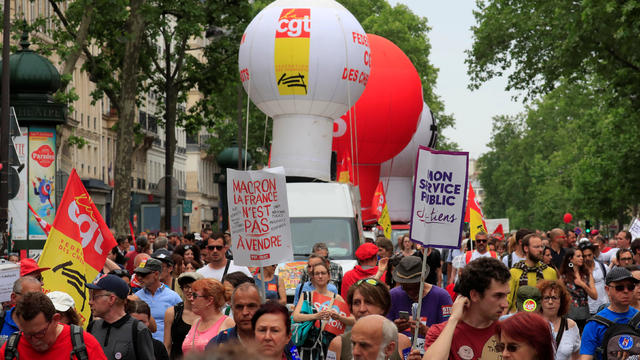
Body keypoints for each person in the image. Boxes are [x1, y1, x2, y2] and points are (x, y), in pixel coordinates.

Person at [418, 257, 511, 360]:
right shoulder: (439, 332)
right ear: (475, 295)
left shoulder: (508, 333)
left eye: (506, 295)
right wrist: (453, 319)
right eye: (498, 296)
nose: (505, 304)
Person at [0, 291, 106, 359]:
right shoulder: (11, 348)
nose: (34, 341)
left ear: (56, 319)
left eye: (40, 333)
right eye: (27, 334)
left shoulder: (84, 345)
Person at [328, 277, 411, 360]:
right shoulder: (338, 344)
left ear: (383, 307)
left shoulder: (402, 342)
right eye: (356, 303)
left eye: (369, 302)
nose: (362, 309)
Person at [292, 261, 354, 360]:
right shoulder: (306, 295)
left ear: (329, 276)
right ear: (312, 277)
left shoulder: (336, 298)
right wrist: (316, 316)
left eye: (323, 273)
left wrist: (339, 317)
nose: (320, 276)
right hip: (309, 347)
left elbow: (352, 320)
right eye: (317, 273)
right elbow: (296, 317)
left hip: (329, 347)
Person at [87, 274, 155, 360]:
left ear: (112, 299)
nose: (90, 302)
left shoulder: (138, 330)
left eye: (95, 297)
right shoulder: (92, 327)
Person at [580, 267, 640, 359]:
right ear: (607, 290)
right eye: (619, 287)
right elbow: (586, 357)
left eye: (630, 287)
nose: (626, 291)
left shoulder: (638, 318)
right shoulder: (594, 324)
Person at [131, 258, 183, 341]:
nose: (140, 278)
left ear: (156, 274)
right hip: (141, 347)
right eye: (138, 274)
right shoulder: (136, 297)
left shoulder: (173, 297)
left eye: (144, 274)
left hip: (163, 348)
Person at [506, 233, 558, 313]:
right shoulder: (514, 272)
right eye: (536, 247)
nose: (541, 250)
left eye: (541, 246)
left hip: (543, 320)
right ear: (526, 248)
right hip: (519, 320)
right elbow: (507, 302)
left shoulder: (550, 272)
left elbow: (556, 299)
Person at [182, 278, 235, 354]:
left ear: (210, 300)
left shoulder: (228, 323)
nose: (191, 299)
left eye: (195, 295)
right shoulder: (196, 322)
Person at [206, 282, 263, 348]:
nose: (245, 312)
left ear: (261, 307)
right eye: (239, 307)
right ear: (232, 309)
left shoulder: (272, 342)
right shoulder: (217, 343)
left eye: (251, 306)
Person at [537, 280, 580, 360]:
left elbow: (576, 356)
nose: (550, 302)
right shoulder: (533, 325)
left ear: (561, 301)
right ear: (540, 301)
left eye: (554, 298)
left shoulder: (571, 325)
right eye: (546, 298)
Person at [164, 271, 201, 360]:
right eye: (186, 287)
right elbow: (167, 345)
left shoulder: (208, 313)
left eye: (193, 287)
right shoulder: (172, 312)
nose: (189, 291)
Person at [559, 248, 597, 329]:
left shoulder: (587, 274)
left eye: (582, 256)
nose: (582, 258)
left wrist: (583, 285)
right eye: (578, 256)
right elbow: (560, 294)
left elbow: (594, 296)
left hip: (584, 313)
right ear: (571, 259)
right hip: (570, 314)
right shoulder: (564, 276)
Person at [579, 242, 610, 315]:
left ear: (593, 254)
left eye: (589, 255)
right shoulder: (579, 270)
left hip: (604, 307)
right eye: (584, 256)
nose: (587, 258)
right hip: (587, 310)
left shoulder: (603, 267)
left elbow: (610, 286)